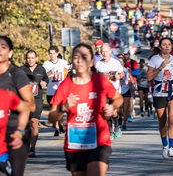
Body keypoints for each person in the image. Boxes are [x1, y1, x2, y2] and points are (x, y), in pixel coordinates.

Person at [48, 43, 123, 176]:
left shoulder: (100, 81)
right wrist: (63, 108)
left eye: (84, 57)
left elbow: (118, 98)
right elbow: (51, 117)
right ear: (72, 61)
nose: (79, 60)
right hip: (75, 142)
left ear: (91, 61)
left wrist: (112, 107)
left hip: (99, 139)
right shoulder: (65, 86)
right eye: (76, 57)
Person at [0, 36, 35, 176]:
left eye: (3, 47)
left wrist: (8, 105)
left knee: (14, 173)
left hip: (14, 129)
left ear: (10, 53)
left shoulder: (16, 74)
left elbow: (31, 105)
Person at [147, 37, 173, 159]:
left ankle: (172, 147)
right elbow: (149, 77)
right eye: (164, 44)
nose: (167, 46)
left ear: (172, 46)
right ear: (160, 46)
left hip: (172, 89)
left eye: (169, 44)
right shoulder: (154, 59)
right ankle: (165, 146)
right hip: (159, 91)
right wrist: (161, 67)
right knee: (163, 121)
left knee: (172, 119)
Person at [20, 50, 49, 158]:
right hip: (25, 100)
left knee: (34, 122)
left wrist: (44, 83)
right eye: (28, 58)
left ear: (36, 58)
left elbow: (46, 79)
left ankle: (32, 148)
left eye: (32, 58)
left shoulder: (41, 69)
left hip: (37, 99)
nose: (30, 60)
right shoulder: (22, 69)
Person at [95, 43, 125, 140]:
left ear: (110, 52)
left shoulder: (116, 63)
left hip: (114, 91)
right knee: (106, 112)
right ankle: (110, 131)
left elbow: (122, 73)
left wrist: (118, 76)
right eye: (102, 52)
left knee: (113, 112)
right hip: (103, 92)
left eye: (106, 52)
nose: (104, 54)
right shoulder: (98, 64)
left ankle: (116, 126)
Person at [43, 46, 69, 136]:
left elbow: (70, 70)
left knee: (60, 110)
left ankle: (58, 126)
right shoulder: (46, 64)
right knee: (53, 110)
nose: (52, 55)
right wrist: (50, 72)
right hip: (50, 91)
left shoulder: (63, 62)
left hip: (60, 90)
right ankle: (58, 126)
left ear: (57, 53)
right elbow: (43, 76)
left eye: (54, 53)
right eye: (50, 53)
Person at [119, 57, 135, 131]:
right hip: (117, 91)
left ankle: (124, 124)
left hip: (126, 90)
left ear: (124, 63)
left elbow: (132, 79)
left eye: (121, 61)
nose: (120, 63)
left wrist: (131, 83)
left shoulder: (126, 70)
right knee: (118, 110)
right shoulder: (114, 70)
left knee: (125, 109)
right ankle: (118, 121)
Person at [124, 50, 139, 121]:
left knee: (130, 100)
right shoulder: (121, 63)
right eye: (124, 54)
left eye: (126, 54)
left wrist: (128, 71)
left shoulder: (134, 62)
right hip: (123, 83)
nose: (125, 56)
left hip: (132, 83)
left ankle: (130, 114)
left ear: (129, 54)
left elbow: (136, 72)